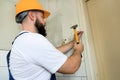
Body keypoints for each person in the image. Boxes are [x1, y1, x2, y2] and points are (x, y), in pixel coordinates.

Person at [9, 0, 84, 80]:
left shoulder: (22, 40)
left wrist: (72, 43)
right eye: (42, 17)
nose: (45, 22)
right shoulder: (33, 40)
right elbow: (72, 67)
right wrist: (78, 50)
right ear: (31, 16)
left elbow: (49, 53)